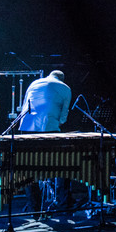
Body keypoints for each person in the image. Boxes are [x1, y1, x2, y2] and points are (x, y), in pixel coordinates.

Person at [17, 70, 72, 214]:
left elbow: (24, 106)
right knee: (63, 166)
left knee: (29, 169)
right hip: (49, 129)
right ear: (62, 78)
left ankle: (33, 207)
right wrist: (56, 122)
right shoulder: (65, 88)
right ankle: (62, 204)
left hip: (27, 129)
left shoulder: (34, 83)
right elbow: (63, 117)